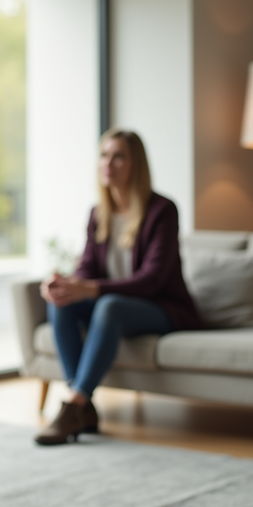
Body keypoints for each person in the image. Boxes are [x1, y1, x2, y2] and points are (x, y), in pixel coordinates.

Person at [36, 129, 202, 446]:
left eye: (118, 156)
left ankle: (74, 405)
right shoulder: (98, 213)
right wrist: (66, 285)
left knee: (109, 305)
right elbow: (87, 267)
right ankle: (80, 404)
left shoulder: (162, 211)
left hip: (162, 308)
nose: (108, 163)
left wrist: (91, 289)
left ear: (135, 164)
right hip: (115, 306)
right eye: (104, 155)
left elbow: (152, 280)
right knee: (63, 302)